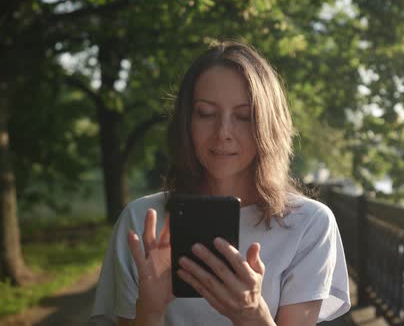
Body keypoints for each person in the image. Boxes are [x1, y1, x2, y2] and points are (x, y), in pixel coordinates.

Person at [89, 41, 350, 326]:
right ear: (185, 121)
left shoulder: (309, 224)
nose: (223, 132)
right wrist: (149, 310)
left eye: (243, 116)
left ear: (268, 123)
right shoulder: (142, 221)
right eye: (206, 113)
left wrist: (252, 315)